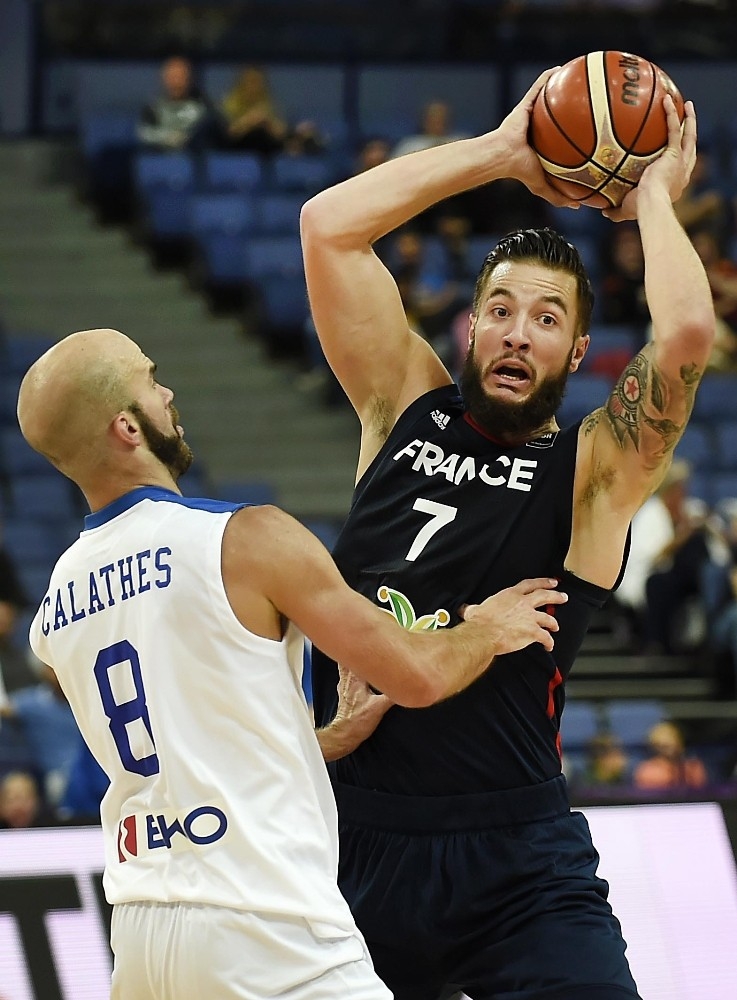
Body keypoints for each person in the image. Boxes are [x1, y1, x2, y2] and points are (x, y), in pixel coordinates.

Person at [301, 66, 712, 1000]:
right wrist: (500, 154)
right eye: (499, 311)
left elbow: (686, 332)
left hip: (516, 859)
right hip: (349, 837)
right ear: (467, 329)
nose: (517, 334)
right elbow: (327, 227)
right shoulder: (398, 405)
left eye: (546, 318)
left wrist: (649, 194)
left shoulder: (596, 470)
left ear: (577, 351)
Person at [16, 327, 566, 1000]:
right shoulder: (243, 540)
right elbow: (418, 676)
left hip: (139, 934)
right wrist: (482, 629)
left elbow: (183, 743)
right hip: (265, 926)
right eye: (150, 381)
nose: (167, 392)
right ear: (128, 427)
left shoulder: (58, 604)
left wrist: (320, 742)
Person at [137, 55, 219, 151]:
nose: (176, 83)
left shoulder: (205, 109)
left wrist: (187, 138)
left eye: (181, 77)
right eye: (172, 77)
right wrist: (168, 137)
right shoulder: (152, 109)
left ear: (190, 79)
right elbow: (143, 134)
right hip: (161, 160)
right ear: (163, 78)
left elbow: (211, 136)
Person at [632, 720, 708, 791]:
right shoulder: (648, 769)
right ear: (655, 746)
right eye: (664, 745)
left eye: (672, 739)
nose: (670, 747)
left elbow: (701, 792)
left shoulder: (693, 766)